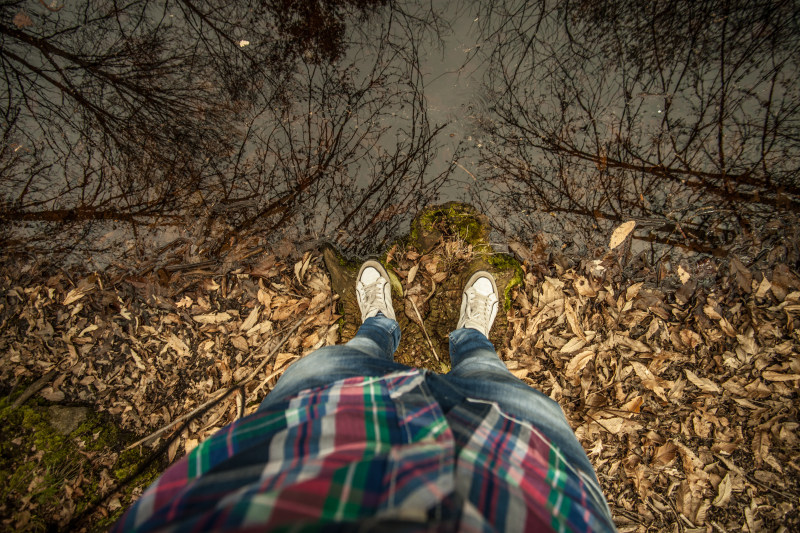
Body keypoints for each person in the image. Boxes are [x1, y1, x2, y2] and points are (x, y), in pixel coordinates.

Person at [113, 261, 616, 532]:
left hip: (317, 428)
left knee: (337, 359)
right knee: (491, 374)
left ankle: (380, 325)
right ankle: (467, 339)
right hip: (523, 461)